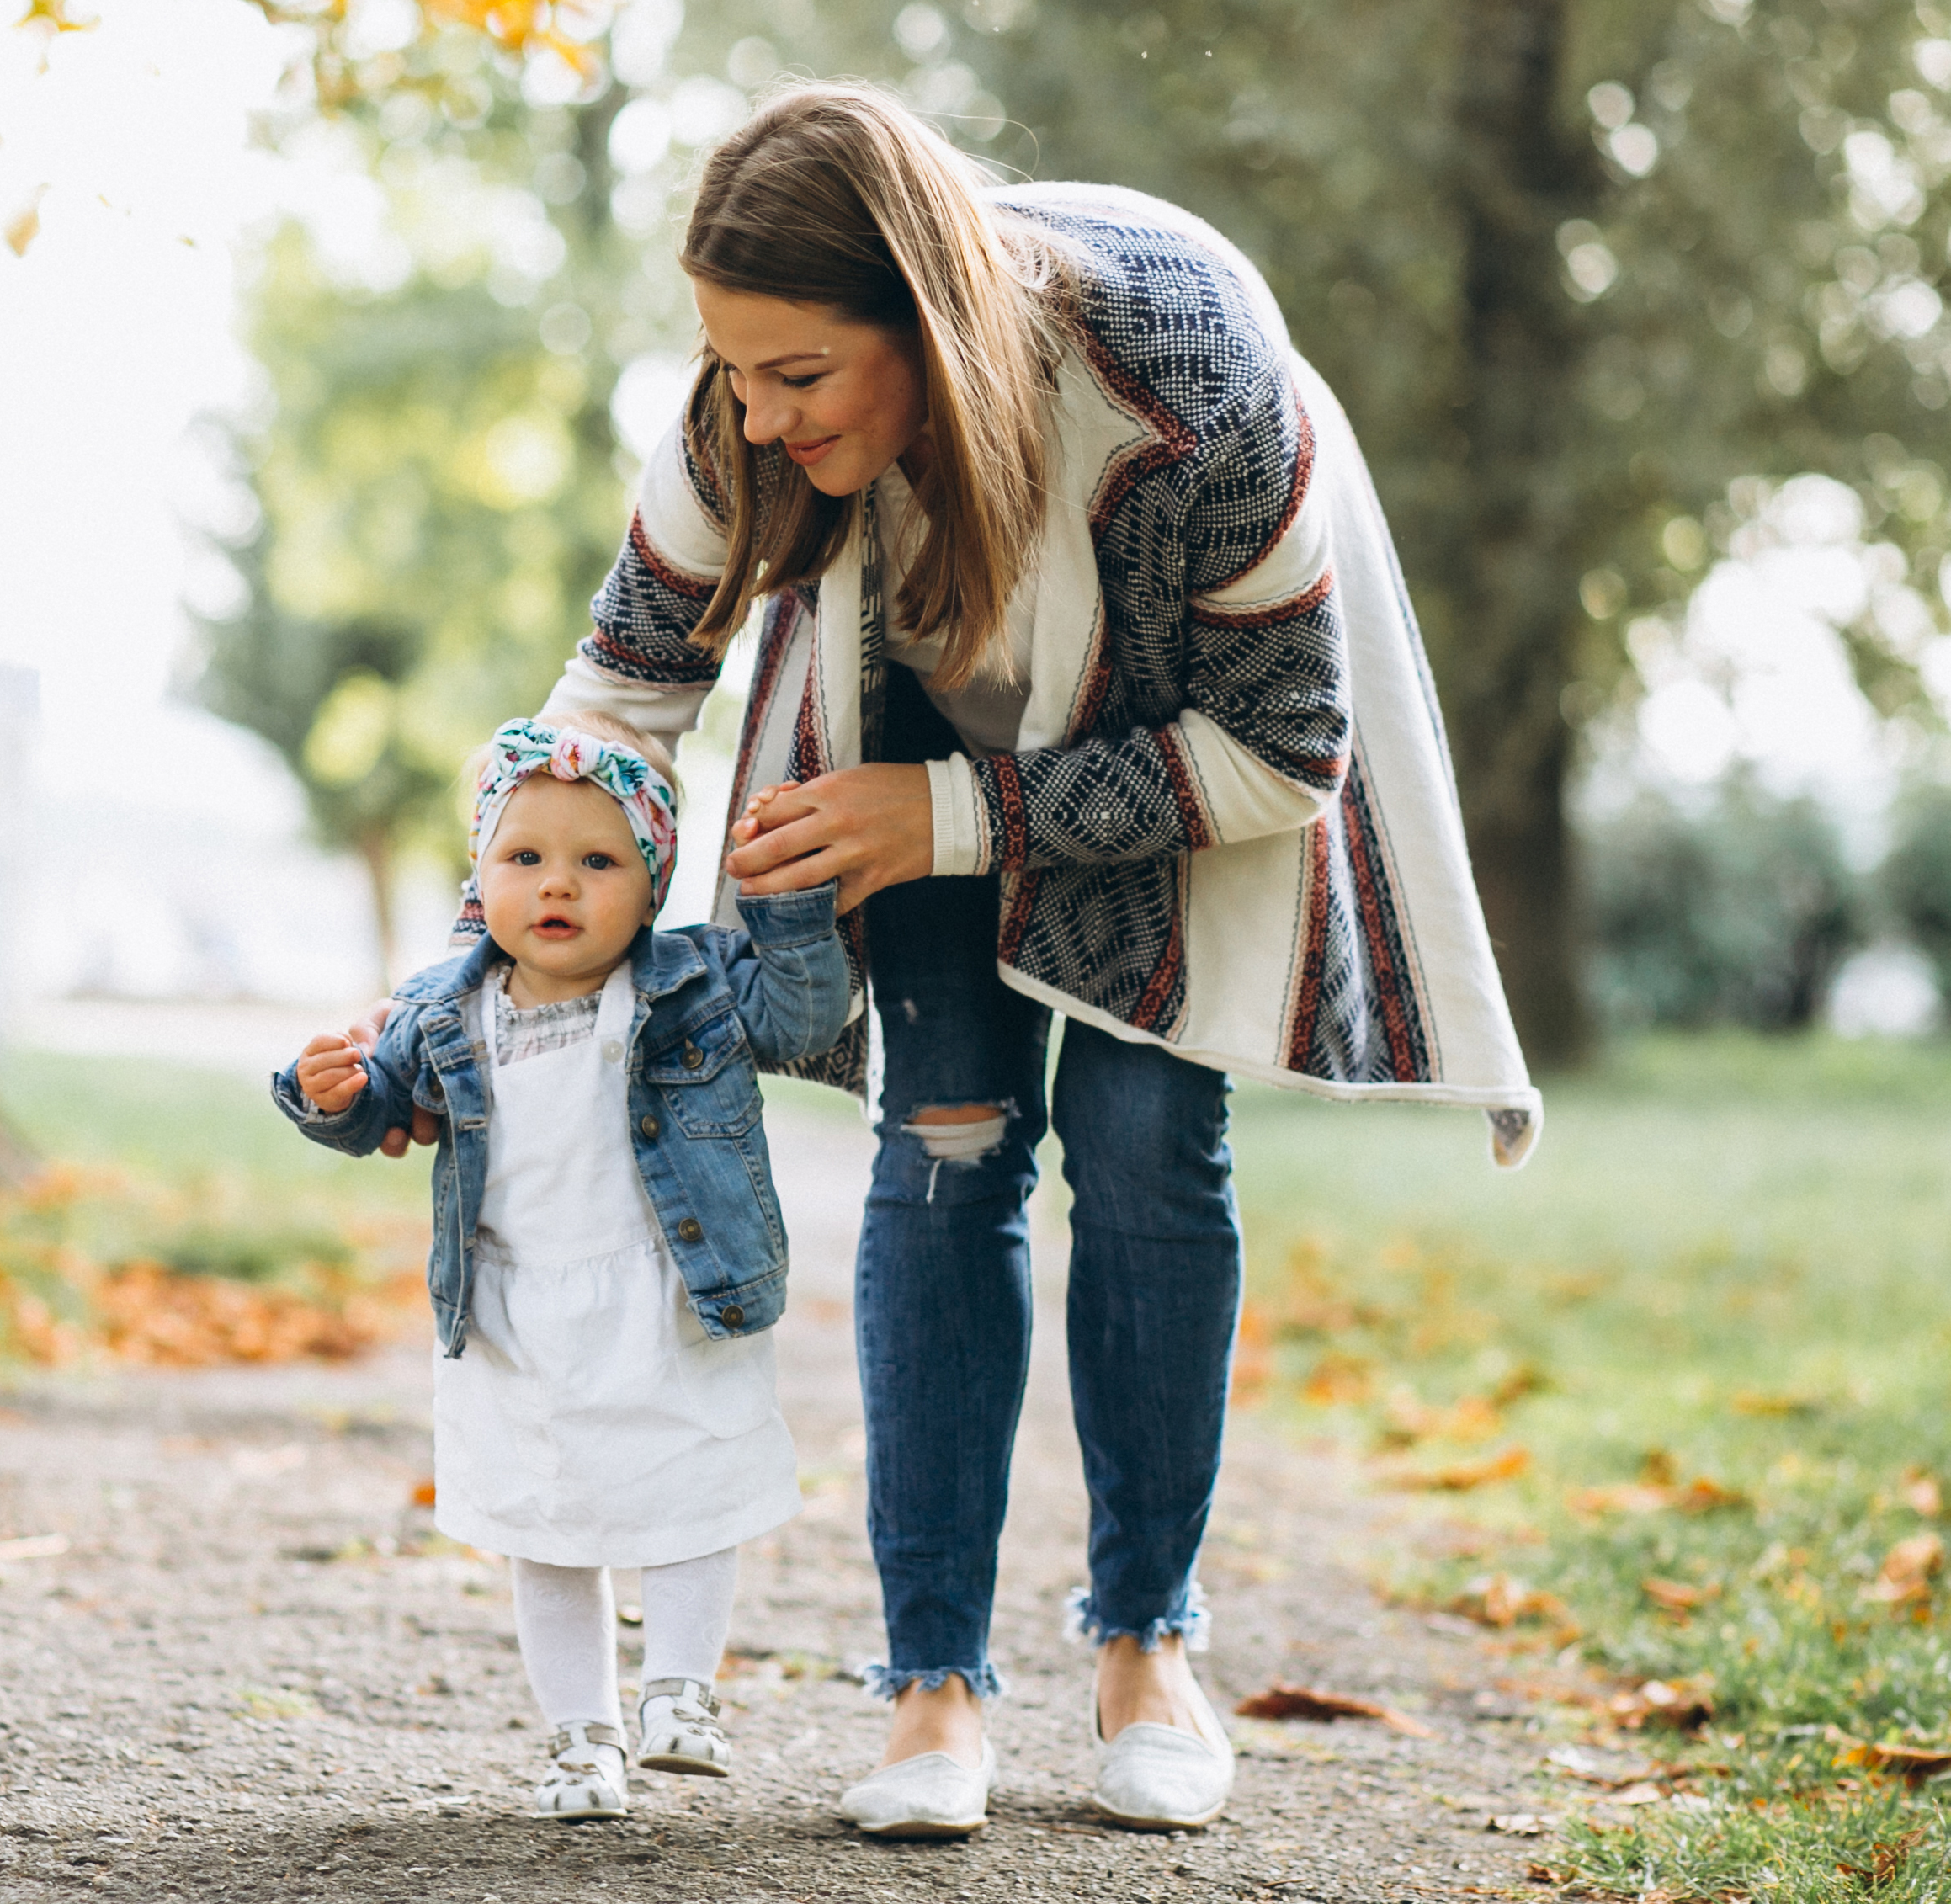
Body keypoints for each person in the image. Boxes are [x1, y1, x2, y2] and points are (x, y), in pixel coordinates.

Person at [375, 84, 1544, 1837]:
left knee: (1149, 1145)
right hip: (900, 720)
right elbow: (614, 695)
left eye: (795, 378)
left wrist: (945, 818)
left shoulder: (1188, 384)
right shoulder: (743, 419)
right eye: (729, 375)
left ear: (919, 320)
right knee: (946, 1145)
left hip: (1169, 763)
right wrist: (474, 974)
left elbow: (1281, 760)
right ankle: (931, 1689)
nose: (753, 425)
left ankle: (1146, 1644)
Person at [274, 710, 854, 1822]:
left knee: (694, 1487)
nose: (557, 885)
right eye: (523, 857)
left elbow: (807, 1014)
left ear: (651, 889)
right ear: (479, 877)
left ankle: (679, 1694)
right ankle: (579, 1737)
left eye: (598, 862)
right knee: (545, 1525)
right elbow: (379, 1108)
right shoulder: (443, 1006)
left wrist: (785, 900)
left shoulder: (692, 982)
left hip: (669, 1288)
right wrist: (327, 1093)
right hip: (517, 1308)